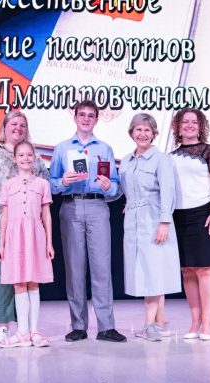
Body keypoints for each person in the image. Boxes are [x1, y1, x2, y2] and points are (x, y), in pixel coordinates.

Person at [49, 100, 127, 343]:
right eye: (81, 114)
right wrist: (63, 182)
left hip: (97, 207)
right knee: (74, 269)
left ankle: (106, 327)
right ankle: (78, 326)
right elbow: (51, 184)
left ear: (96, 119)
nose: (85, 118)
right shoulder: (61, 149)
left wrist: (109, 186)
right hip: (70, 206)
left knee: (102, 268)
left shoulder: (105, 149)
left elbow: (116, 187)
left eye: (90, 115)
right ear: (74, 117)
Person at [0, 111, 49, 343]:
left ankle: (25, 328)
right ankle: (3, 325)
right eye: (13, 124)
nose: (18, 128)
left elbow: (45, 186)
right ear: (4, 127)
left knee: (27, 276)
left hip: (29, 228)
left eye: (22, 125)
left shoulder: (35, 157)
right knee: (1, 275)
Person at [117, 113, 181, 341]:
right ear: (131, 132)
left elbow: (168, 192)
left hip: (154, 220)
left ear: (154, 134)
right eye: (138, 129)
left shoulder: (161, 159)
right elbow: (122, 190)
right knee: (147, 272)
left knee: (154, 272)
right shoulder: (126, 160)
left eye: (147, 130)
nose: (142, 134)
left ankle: (149, 325)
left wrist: (164, 222)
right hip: (133, 222)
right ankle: (160, 322)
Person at [169, 108, 210, 341]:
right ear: (178, 127)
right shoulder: (170, 156)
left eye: (194, 122)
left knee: (205, 269)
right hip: (178, 218)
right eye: (185, 122)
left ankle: (207, 323)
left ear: (201, 126)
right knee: (187, 271)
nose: (190, 125)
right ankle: (194, 322)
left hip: (205, 215)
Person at [0, 141, 54, 348]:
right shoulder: (8, 185)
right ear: (14, 158)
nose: (25, 158)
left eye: (29, 155)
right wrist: (2, 244)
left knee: (33, 281)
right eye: (21, 155)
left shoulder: (42, 184)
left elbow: (46, 215)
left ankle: (34, 331)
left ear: (35, 157)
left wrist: (49, 242)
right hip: (14, 237)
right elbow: (4, 216)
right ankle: (22, 333)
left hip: (35, 235)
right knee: (19, 282)